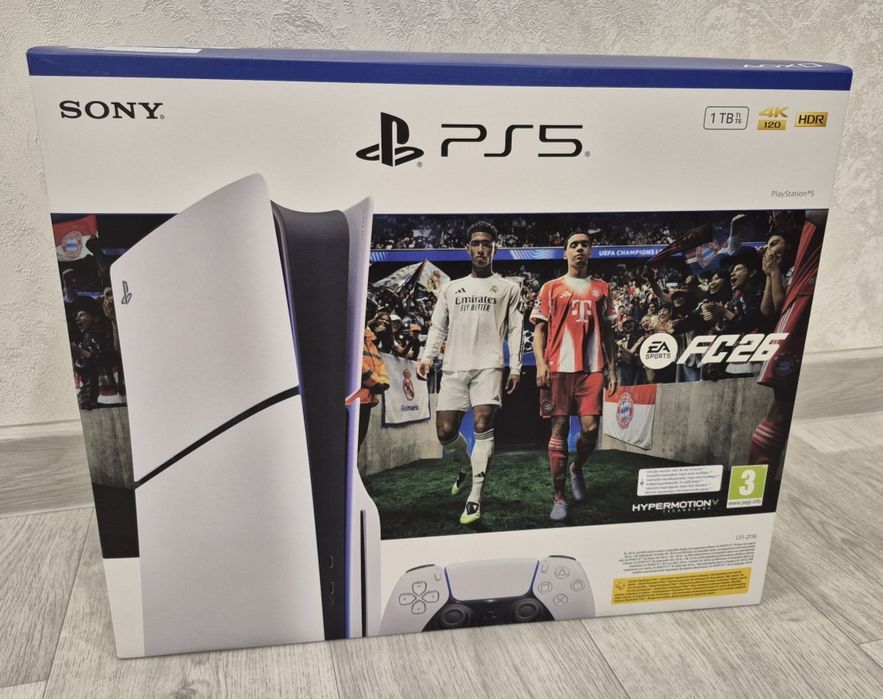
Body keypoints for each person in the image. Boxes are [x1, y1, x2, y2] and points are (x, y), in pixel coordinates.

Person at [417, 221, 524, 525]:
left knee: (482, 423)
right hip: (454, 366)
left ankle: (474, 498)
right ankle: (465, 466)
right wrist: (427, 357)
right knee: (445, 432)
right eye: (476, 243)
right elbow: (438, 326)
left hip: (489, 365)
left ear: (494, 249)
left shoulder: (509, 288)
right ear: (468, 248)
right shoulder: (451, 288)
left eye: (486, 244)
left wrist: (516, 366)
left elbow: (516, 329)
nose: (481, 249)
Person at [531, 231, 617, 522]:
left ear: (590, 251)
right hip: (558, 368)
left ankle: (577, 467)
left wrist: (613, 369)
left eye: (584, 244)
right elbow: (539, 330)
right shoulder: (551, 288)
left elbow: (609, 333)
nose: (579, 249)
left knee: (590, 429)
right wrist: (540, 364)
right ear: (565, 253)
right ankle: (559, 497)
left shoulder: (602, 288)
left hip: (592, 368)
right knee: (558, 429)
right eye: (573, 245)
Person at [750, 210, 825, 482]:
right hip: (789, 328)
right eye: (768, 245)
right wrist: (770, 274)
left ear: (791, 243)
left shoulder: (802, 265)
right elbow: (769, 308)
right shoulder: (788, 270)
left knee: (783, 408)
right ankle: (759, 480)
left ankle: (760, 482)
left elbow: (783, 303)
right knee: (781, 406)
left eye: (775, 243)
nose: (769, 250)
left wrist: (774, 272)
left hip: (799, 327)